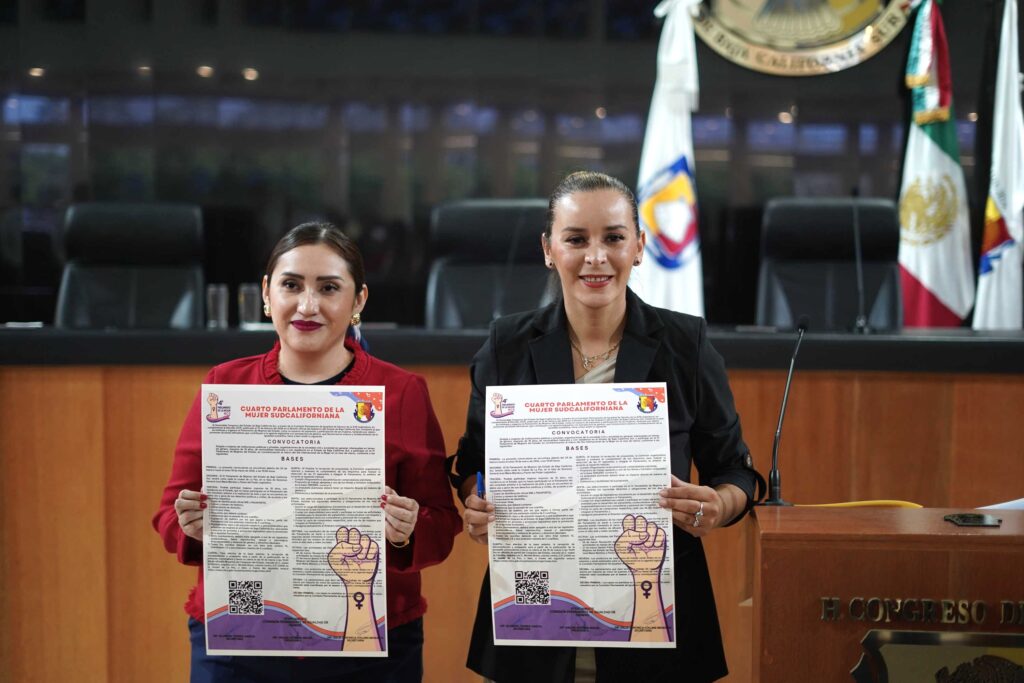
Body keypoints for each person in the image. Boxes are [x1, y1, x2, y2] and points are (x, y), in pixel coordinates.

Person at [448, 171, 764, 682]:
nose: (596, 257)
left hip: (657, 622)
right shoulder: (507, 345)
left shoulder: (685, 344)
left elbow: (737, 472)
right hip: (533, 614)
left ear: (639, 246)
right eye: (576, 239)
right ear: (548, 249)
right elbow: (472, 464)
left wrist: (717, 505)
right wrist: (476, 501)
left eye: (613, 238)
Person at [154, 222, 461, 682]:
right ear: (267, 293)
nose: (307, 305)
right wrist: (192, 525)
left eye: (329, 288)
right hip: (240, 638)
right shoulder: (226, 385)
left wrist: (406, 530)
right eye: (292, 285)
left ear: (358, 301)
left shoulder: (401, 392)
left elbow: (442, 523)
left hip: (369, 645)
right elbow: (168, 515)